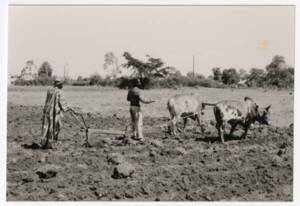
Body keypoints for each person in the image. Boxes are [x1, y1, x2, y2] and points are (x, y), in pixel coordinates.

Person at [40, 78, 80, 149]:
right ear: (60, 84)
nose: (62, 86)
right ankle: (51, 143)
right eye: (62, 84)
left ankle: (44, 142)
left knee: (47, 126)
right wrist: (72, 109)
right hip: (54, 112)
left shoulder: (49, 90)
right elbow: (63, 104)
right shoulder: (59, 92)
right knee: (56, 126)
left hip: (47, 111)